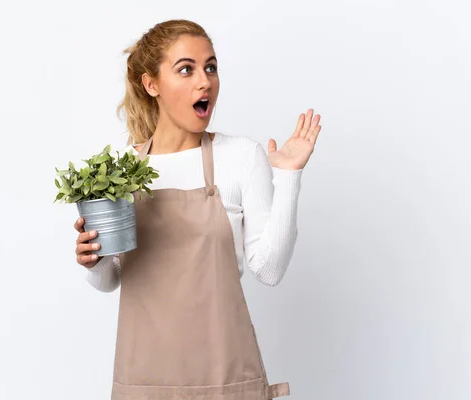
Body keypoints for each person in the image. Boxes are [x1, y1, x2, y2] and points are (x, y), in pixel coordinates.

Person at [73, 19, 321, 400]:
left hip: (223, 379)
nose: (204, 81)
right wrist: (94, 260)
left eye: (211, 67)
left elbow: (268, 269)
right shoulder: (122, 168)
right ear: (151, 84)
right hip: (145, 381)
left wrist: (287, 177)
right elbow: (112, 278)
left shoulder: (240, 156)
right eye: (185, 69)